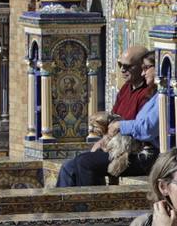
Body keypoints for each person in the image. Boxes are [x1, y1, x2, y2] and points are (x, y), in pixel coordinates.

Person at [56, 49, 160, 188]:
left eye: (129, 66)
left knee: (85, 163)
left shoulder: (151, 94)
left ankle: (91, 206)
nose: (123, 70)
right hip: (118, 143)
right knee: (69, 167)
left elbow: (145, 128)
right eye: (120, 65)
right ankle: (66, 206)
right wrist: (103, 139)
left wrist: (119, 126)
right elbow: (112, 119)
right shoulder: (126, 90)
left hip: (138, 150)